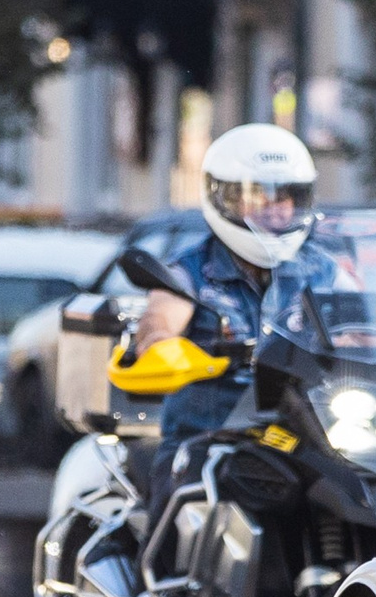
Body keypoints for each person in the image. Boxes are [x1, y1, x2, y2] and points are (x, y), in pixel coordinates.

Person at [130, 122, 320, 441]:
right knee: (181, 486)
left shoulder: (320, 269)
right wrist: (158, 342)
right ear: (224, 199)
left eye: (286, 197)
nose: (274, 209)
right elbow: (160, 316)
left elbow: (365, 326)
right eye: (259, 195)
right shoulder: (191, 272)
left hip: (302, 435)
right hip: (209, 438)